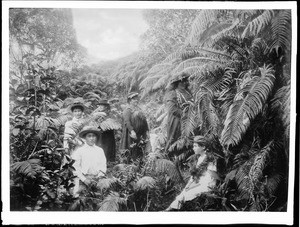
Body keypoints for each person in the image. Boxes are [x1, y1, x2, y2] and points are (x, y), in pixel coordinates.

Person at [165, 135, 219, 211]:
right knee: (184, 192)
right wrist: (188, 185)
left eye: (195, 146)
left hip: (207, 184)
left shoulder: (210, 158)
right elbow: (194, 176)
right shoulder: (199, 158)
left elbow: (212, 174)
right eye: (193, 146)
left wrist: (219, 182)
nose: (193, 148)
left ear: (203, 147)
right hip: (199, 182)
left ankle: (169, 210)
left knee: (187, 193)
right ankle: (168, 209)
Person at [71, 126, 107, 195]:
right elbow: (75, 167)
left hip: (97, 179)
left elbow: (103, 166)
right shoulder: (80, 151)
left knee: (97, 199)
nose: (91, 138)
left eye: (93, 136)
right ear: (85, 138)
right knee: (81, 200)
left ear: (96, 138)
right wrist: (84, 179)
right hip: (84, 179)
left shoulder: (100, 150)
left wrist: (99, 177)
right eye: (89, 136)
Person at [164, 72, 192, 155]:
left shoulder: (188, 92)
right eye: (181, 81)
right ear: (176, 83)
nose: (184, 83)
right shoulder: (172, 93)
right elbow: (172, 109)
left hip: (190, 119)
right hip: (177, 120)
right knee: (175, 138)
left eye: (185, 81)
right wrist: (184, 115)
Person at [120, 92, 149, 161]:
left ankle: (138, 164)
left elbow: (144, 120)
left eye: (136, 99)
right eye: (134, 99)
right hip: (131, 134)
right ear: (130, 101)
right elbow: (127, 122)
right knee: (130, 149)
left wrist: (147, 130)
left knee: (139, 149)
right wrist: (132, 131)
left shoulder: (139, 110)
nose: (136, 100)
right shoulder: (127, 110)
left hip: (140, 133)